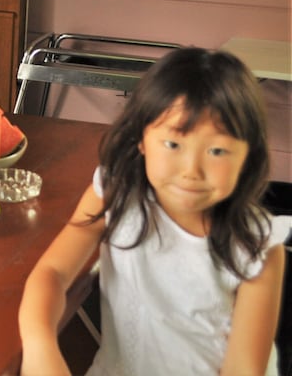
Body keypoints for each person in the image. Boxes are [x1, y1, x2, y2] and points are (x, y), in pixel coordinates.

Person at [18, 47, 288, 376]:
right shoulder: (116, 196)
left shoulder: (257, 247)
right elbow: (52, 273)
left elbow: (244, 369)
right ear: (141, 139)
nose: (192, 171)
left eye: (217, 150)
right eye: (173, 144)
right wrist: (39, 346)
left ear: (248, 155)